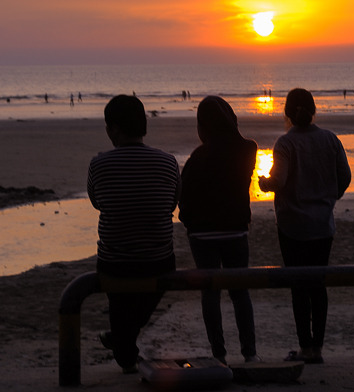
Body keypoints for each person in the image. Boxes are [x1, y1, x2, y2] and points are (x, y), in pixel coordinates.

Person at [87, 95, 180, 374]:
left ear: (114, 129)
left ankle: (123, 343)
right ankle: (124, 340)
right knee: (151, 287)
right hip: (158, 258)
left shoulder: (99, 164)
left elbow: (97, 203)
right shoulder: (168, 162)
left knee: (119, 301)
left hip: (114, 260)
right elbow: (171, 204)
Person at [258, 88, 351, 364]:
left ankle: (305, 346)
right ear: (314, 111)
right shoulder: (330, 139)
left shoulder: (286, 143)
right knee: (318, 285)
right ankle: (317, 348)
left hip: (292, 226)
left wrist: (264, 182)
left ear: (287, 112)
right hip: (322, 224)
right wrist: (330, 197)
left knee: (298, 285)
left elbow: (279, 180)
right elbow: (345, 176)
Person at [178, 95, 259, 364]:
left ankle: (219, 354)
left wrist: (189, 221)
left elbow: (184, 195)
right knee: (240, 291)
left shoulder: (198, 157)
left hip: (202, 233)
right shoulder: (247, 150)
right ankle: (250, 352)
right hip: (235, 229)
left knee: (210, 292)